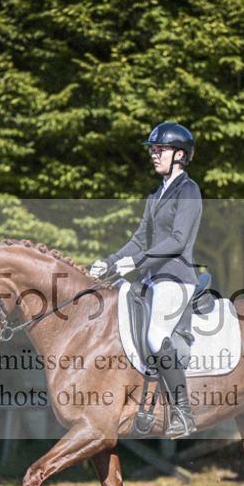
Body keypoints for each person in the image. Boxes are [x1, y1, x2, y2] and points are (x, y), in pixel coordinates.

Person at [90, 122, 202, 438]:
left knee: (155, 336)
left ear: (180, 154)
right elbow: (140, 239)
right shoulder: (156, 193)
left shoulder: (189, 190)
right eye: (152, 149)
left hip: (176, 277)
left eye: (160, 149)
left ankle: (183, 412)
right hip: (152, 278)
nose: (154, 154)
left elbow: (178, 240)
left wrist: (136, 262)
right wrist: (109, 262)